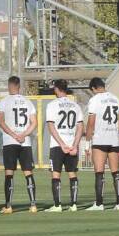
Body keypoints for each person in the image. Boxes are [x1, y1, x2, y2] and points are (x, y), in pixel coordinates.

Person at [0, 76, 38, 214]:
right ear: (19, 86)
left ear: (9, 86)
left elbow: (1, 122)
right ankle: (33, 205)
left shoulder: (4, 101)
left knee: (9, 172)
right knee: (28, 172)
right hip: (24, 142)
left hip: (10, 142)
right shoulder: (28, 102)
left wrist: (14, 135)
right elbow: (34, 123)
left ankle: (8, 206)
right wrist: (24, 134)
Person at [84, 78, 119, 211]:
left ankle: (99, 203)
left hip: (100, 139)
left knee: (99, 172)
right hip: (114, 139)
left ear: (94, 89)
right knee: (116, 172)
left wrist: (87, 142)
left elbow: (91, 122)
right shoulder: (116, 99)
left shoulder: (95, 99)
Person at [44, 80, 83, 212]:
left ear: (56, 89)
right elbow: (80, 127)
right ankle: (73, 205)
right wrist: (75, 145)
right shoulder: (75, 105)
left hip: (57, 145)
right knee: (72, 173)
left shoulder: (52, 105)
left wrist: (61, 144)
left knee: (56, 174)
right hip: (72, 144)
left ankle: (57, 205)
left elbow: (51, 126)